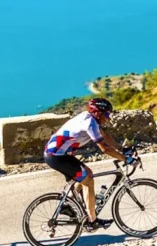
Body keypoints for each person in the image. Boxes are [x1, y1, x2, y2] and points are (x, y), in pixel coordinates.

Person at [44, 97, 133, 231]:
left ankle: (67, 204)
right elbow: (104, 148)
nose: (108, 118)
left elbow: (105, 137)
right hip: (57, 156)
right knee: (88, 181)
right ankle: (92, 221)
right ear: (98, 113)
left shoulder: (91, 120)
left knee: (88, 174)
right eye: (107, 114)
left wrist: (122, 149)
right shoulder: (90, 123)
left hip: (61, 154)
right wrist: (125, 159)